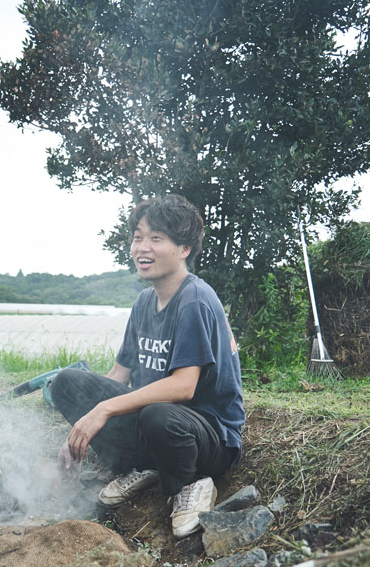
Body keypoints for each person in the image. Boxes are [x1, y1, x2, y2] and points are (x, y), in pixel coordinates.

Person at [51, 195, 244, 538]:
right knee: (66, 382)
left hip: (206, 437)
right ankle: (145, 466)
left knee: (158, 413)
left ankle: (191, 484)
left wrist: (104, 408)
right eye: (139, 237)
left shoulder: (194, 300)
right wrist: (83, 422)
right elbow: (117, 376)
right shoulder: (144, 302)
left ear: (184, 248)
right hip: (155, 426)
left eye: (157, 238)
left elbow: (183, 387)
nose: (143, 247)